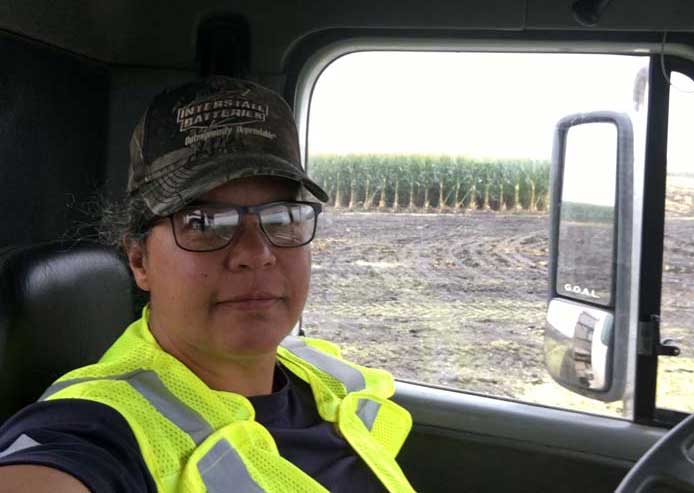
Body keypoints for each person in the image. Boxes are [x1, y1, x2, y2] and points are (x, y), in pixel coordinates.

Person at [0, 77, 415, 493]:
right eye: (203, 222)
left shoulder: (323, 374)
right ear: (139, 260)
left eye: (282, 217)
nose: (256, 253)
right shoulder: (99, 427)